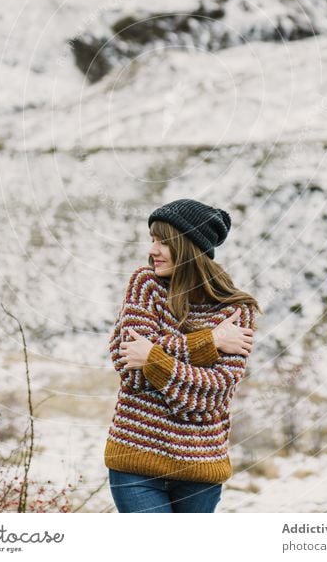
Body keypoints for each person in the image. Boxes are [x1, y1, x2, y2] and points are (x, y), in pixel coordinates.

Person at [104, 198, 261, 513]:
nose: (152, 250)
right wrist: (209, 342)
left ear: (190, 247)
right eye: (152, 240)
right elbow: (130, 368)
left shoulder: (235, 310)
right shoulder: (145, 285)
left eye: (164, 242)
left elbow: (209, 398)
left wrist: (153, 357)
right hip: (136, 460)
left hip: (198, 471)